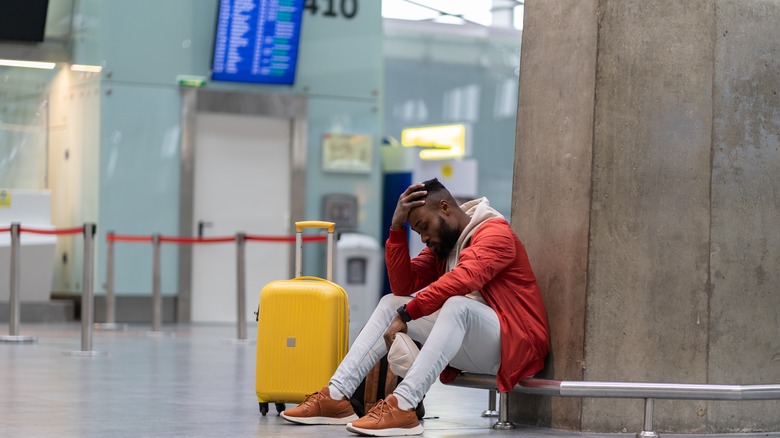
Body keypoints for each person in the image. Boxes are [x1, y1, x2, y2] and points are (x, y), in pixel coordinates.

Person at [281, 178, 550, 436]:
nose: (422, 238)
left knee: (456, 305)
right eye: (417, 231)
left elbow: (462, 280)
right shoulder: (445, 247)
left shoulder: (495, 234)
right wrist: (396, 228)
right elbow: (403, 286)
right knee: (390, 303)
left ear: (444, 207)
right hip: (474, 343)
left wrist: (408, 315)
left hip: (515, 344)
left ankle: (404, 406)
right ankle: (337, 397)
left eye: (423, 226)